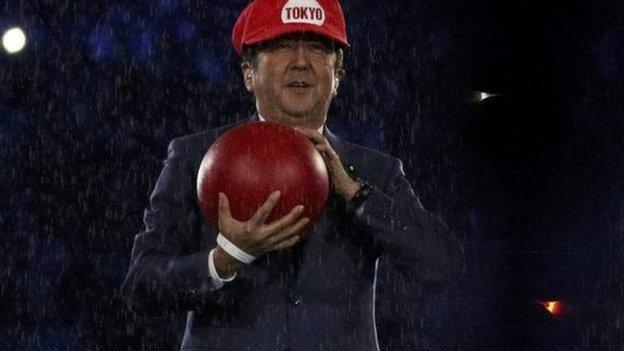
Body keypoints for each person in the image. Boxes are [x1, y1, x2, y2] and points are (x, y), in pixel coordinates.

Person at [121, 0, 463, 350]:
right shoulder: (196, 158)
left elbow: (441, 266)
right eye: (282, 45)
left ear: (338, 77)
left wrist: (358, 196)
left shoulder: (376, 172)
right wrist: (225, 259)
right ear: (248, 74)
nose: (301, 61)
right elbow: (141, 289)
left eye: (317, 47)